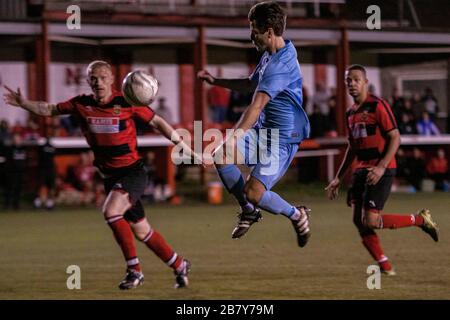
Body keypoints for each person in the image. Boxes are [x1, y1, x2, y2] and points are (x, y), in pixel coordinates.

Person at [3, 60, 201, 290]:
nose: (98, 82)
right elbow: (49, 109)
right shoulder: (81, 104)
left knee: (111, 211)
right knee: (141, 230)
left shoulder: (126, 101)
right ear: (87, 81)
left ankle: (134, 271)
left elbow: (157, 121)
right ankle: (179, 265)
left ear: (112, 80)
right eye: (94, 78)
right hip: (110, 177)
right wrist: (24, 103)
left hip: (132, 172)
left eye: (103, 77)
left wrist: (183, 146)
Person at [198, 1, 311, 247]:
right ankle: (248, 211)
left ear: (269, 31)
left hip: (283, 139)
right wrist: (216, 81)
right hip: (263, 132)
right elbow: (251, 84)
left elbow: (256, 105)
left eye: (254, 30)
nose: (251, 36)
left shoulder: (280, 65)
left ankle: (296, 214)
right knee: (221, 156)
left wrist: (233, 137)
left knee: (254, 192)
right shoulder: (272, 55)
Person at [325, 64, 439, 275]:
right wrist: (338, 178)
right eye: (348, 80)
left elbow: (395, 137)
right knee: (359, 222)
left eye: (356, 79)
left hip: (381, 169)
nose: (352, 83)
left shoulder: (377, 105)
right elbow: (352, 147)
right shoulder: (350, 113)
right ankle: (385, 265)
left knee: (371, 220)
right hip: (361, 170)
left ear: (366, 83)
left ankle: (421, 220)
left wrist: (380, 167)